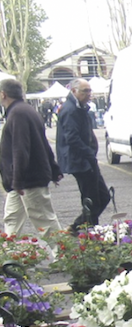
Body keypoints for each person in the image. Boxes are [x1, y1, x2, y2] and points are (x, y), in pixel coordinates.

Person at [0, 78, 64, 242]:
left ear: (3, 95)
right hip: (20, 180)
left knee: (44, 219)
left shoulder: (18, 114)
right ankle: (10, 256)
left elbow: (21, 149)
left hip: (27, 179)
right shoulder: (26, 110)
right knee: (12, 219)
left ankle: (64, 255)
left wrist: (18, 181)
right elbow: (43, 143)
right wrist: (54, 167)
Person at [57, 78, 110, 232]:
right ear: (74, 91)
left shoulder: (79, 107)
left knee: (102, 196)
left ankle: (79, 226)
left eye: (89, 91)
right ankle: (87, 230)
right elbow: (72, 138)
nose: (88, 94)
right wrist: (89, 153)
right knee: (91, 199)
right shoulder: (70, 109)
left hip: (86, 160)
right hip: (81, 162)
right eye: (84, 91)